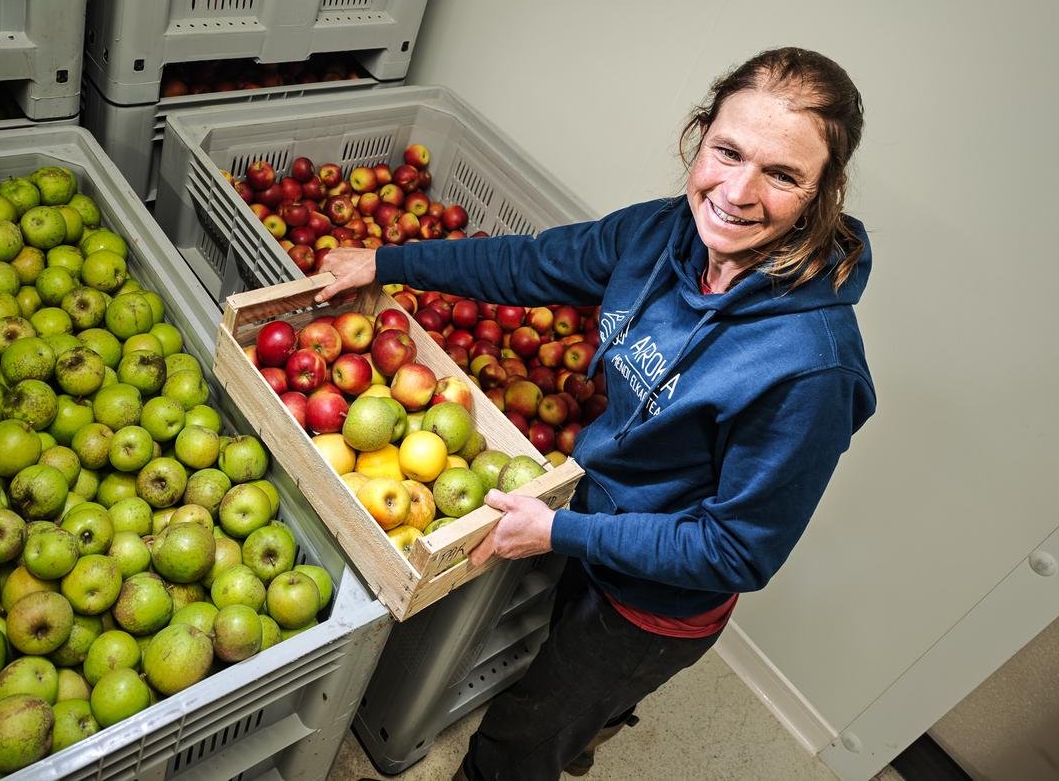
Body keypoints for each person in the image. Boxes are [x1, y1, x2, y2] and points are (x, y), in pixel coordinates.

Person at [318, 46, 876, 781]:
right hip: (596, 518)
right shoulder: (660, 235)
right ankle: (596, 723)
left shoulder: (811, 369)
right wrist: (386, 263)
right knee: (570, 683)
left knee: (516, 743)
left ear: (822, 193)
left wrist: (559, 531)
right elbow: (527, 264)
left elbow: (738, 551)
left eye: (782, 175)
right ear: (700, 135)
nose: (738, 193)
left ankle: (587, 724)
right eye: (728, 151)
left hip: (654, 604)